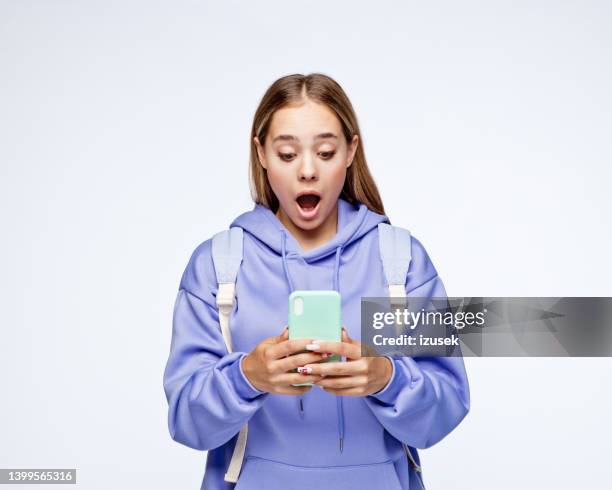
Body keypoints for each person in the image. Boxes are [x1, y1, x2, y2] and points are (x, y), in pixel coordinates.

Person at [163, 73, 470, 489]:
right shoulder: (218, 266)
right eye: (287, 154)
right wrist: (248, 375)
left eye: (325, 152)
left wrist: (387, 378)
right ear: (262, 155)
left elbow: (449, 404)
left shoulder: (401, 260)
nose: (307, 171)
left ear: (350, 151)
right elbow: (185, 421)